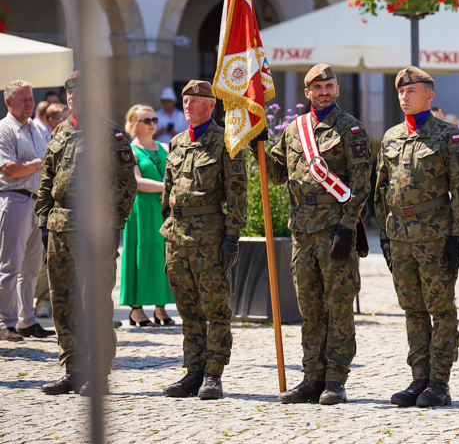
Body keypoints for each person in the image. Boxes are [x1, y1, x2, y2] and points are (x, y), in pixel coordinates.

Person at [262, 64, 370, 406]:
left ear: (336, 89)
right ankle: (312, 377)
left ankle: (336, 380)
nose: (324, 91)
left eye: (329, 85)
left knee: (337, 307)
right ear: (307, 92)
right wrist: (257, 146)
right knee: (309, 309)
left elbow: (362, 184)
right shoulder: (295, 131)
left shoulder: (351, 129)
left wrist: (347, 226)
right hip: (302, 232)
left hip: (334, 228)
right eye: (317, 87)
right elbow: (277, 174)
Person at [374, 67, 459, 408]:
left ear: (429, 95)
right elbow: (381, 188)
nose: (405, 96)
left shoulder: (449, 135)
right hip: (399, 236)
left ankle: (439, 382)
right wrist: (385, 237)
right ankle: (419, 377)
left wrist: (458, 236)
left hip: (435, 236)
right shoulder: (390, 137)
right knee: (412, 309)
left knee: (441, 310)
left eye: (412, 91)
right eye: (401, 92)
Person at [37, 71, 137, 395]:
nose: (74, 98)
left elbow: (126, 185)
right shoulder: (61, 131)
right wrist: (42, 220)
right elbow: (46, 182)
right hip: (59, 228)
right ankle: (74, 368)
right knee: (62, 301)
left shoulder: (109, 133)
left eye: (81, 93)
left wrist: (114, 226)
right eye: (70, 94)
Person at [161, 80, 247, 401]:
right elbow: (168, 191)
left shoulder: (226, 142)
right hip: (177, 237)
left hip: (209, 238)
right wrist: (167, 227)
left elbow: (238, 194)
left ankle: (213, 374)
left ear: (211, 106)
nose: (189, 106)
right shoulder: (177, 143)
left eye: (196, 101)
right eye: (185, 100)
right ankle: (193, 370)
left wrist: (232, 237)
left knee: (215, 308)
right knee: (188, 308)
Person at [0, 81, 53, 341]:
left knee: (32, 266)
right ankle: (4, 321)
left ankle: (26, 320)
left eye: (30, 98)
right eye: (23, 99)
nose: (29, 103)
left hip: (37, 202)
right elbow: (9, 169)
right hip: (14, 199)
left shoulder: (35, 128)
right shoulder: (4, 129)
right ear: (9, 102)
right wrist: (38, 163)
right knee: (9, 265)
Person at [119, 104, 175, 327]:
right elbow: (136, 182)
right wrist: (166, 187)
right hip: (142, 209)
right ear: (134, 124)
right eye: (146, 120)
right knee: (141, 254)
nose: (152, 124)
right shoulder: (130, 150)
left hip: (163, 209)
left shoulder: (164, 147)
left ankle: (160, 307)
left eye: (154, 120)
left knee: (163, 255)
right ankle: (137, 309)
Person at [33, 103, 70, 318]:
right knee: (41, 258)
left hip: (64, 211)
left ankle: (52, 302)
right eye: (62, 117)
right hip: (42, 205)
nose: (67, 120)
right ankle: (40, 301)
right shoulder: (44, 139)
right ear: (51, 121)